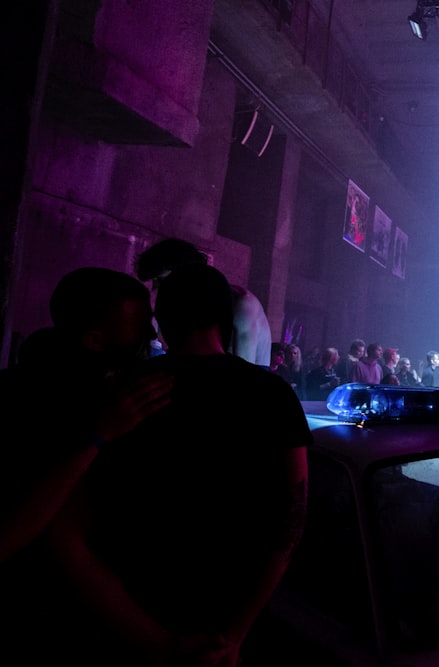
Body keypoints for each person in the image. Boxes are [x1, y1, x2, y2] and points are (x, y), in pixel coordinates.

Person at [47, 264, 311, 665]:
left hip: (128, 623)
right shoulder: (274, 395)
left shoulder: (122, 393)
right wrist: (234, 635)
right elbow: (291, 519)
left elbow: (73, 529)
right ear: (226, 320)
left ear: (164, 321)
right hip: (231, 623)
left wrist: (154, 640)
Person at [0, 268, 173, 662]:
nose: (151, 336)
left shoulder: (93, 392)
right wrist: (98, 435)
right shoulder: (38, 405)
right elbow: (49, 536)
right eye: (141, 325)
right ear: (94, 340)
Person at [135, 238, 272, 367]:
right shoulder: (184, 309)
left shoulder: (241, 304)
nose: (155, 288)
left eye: (161, 280)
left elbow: (246, 379)